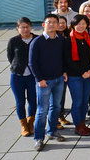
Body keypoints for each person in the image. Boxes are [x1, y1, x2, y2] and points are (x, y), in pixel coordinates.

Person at [29, 14, 69, 150]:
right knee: (42, 110)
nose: (52, 25)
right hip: (44, 82)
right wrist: (39, 79)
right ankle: (39, 138)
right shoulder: (37, 42)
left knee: (56, 107)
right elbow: (32, 63)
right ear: (43, 25)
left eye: (54, 22)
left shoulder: (60, 40)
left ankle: (52, 131)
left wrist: (64, 71)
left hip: (58, 79)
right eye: (49, 22)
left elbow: (63, 58)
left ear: (58, 25)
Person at [8, 17, 38, 137]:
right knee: (20, 102)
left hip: (32, 76)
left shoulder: (36, 39)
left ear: (30, 27)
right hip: (17, 76)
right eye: (22, 27)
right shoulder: (13, 41)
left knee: (32, 100)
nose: (25, 29)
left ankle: (31, 123)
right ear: (18, 28)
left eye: (27, 27)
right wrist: (18, 66)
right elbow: (10, 57)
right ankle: (23, 124)